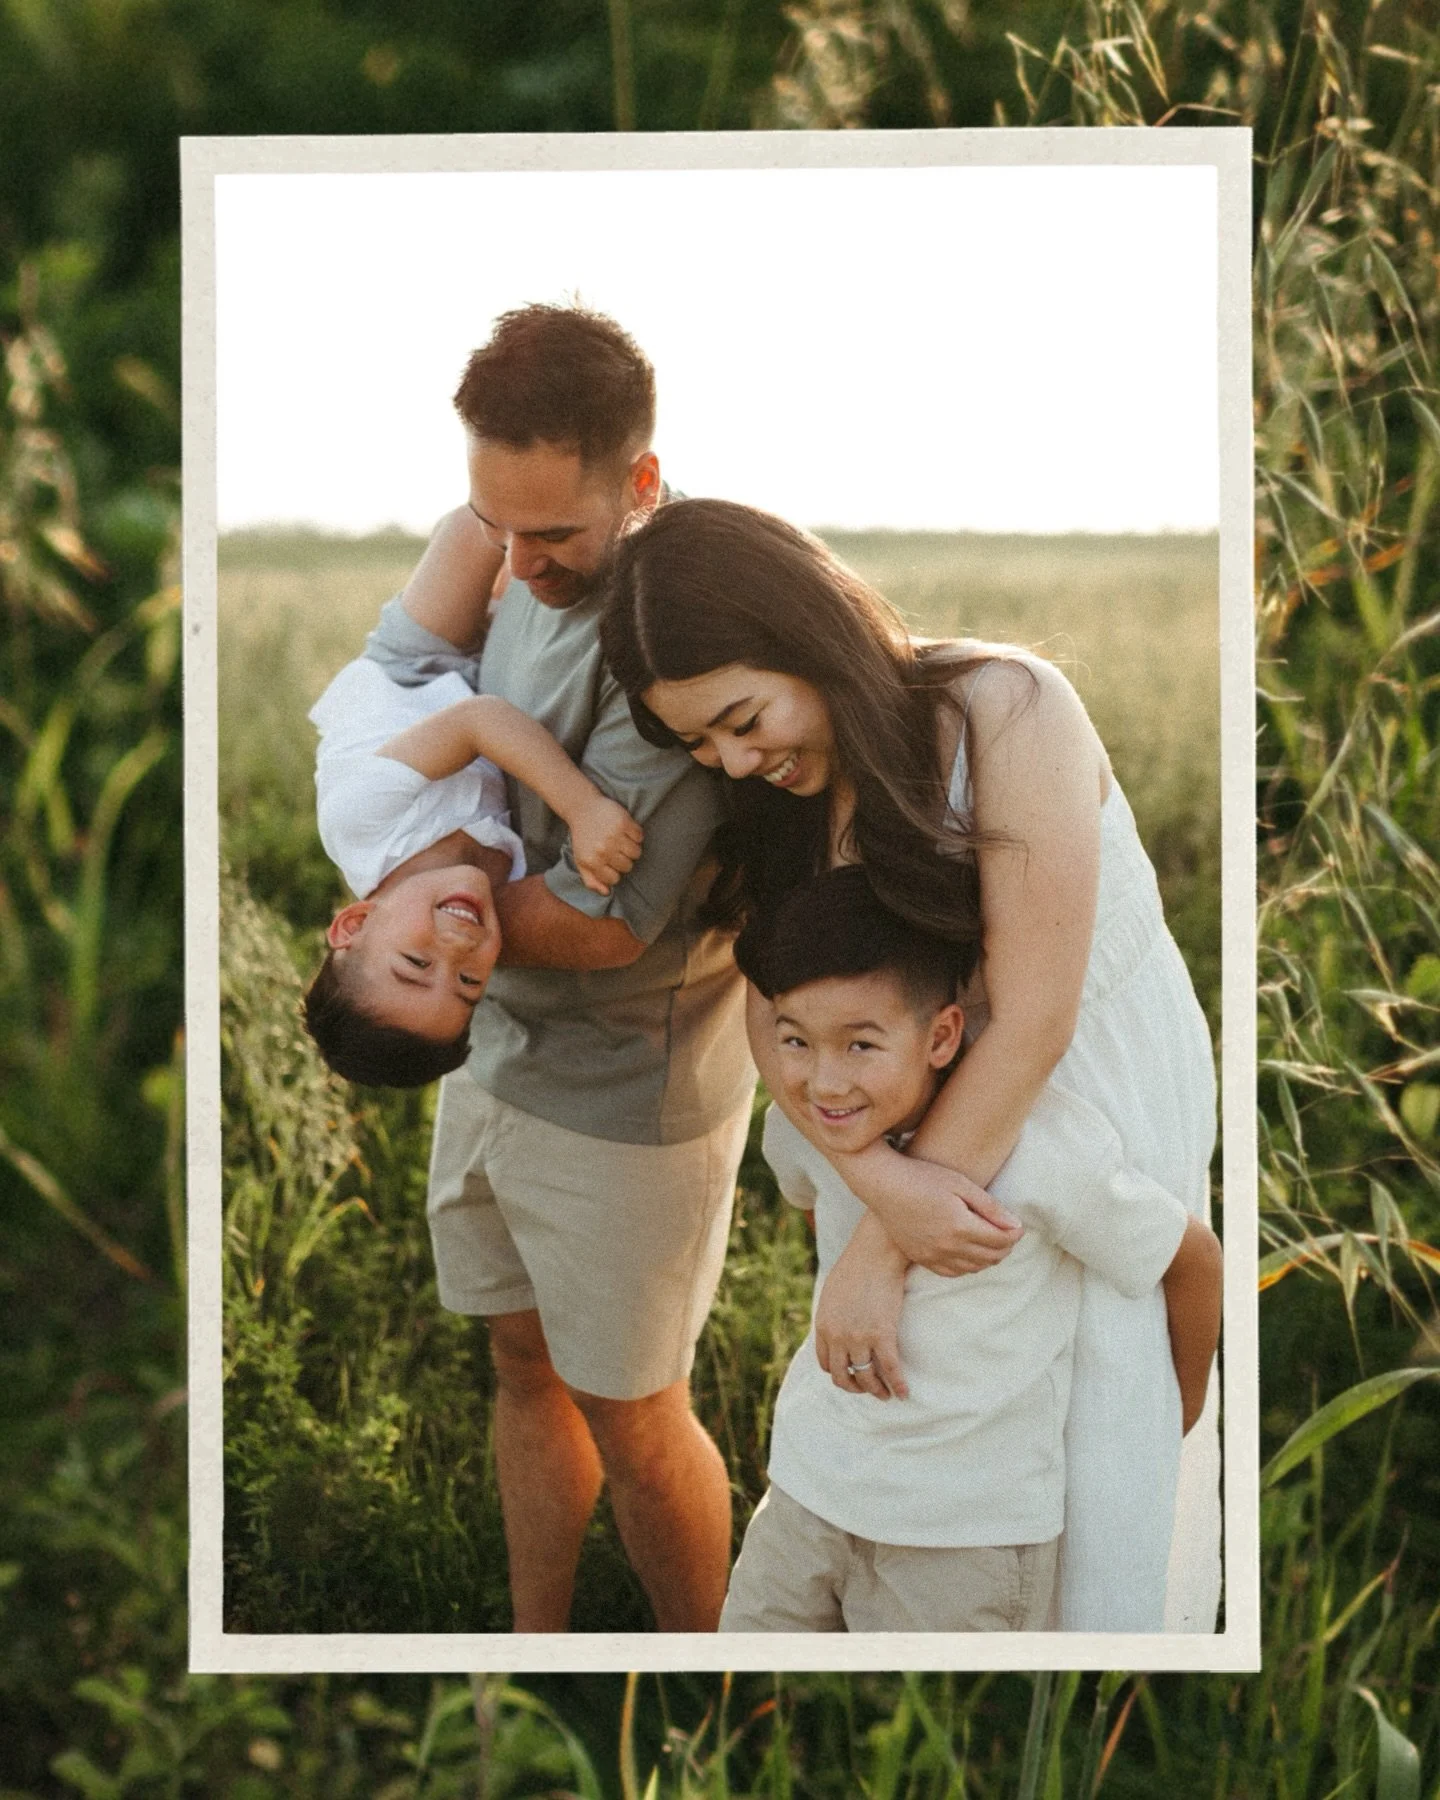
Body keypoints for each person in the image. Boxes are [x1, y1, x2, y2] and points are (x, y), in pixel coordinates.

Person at [599, 497, 1223, 1633]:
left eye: (742, 717)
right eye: (698, 743)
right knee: (930, 1390)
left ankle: (1078, 1687)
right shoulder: (777, 799)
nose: (735, 759)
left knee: (1091, 1404)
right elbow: (768, 991)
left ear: (803, 630)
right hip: (883, 1108)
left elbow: (1034, 1020)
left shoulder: (1008, 707)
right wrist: (880, 1190)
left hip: (1077, 1086)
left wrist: (879, 1252)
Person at [360, 307, 755, 1631]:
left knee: (637, 1417)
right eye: (495, 524)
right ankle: (541, 1655)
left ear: (638, 484)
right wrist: (416, 892)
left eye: (554, 538)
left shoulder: (677, 634)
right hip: (491, 1055)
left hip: (622, 1101)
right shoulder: (505, 542)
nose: (513, 564)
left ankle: (703, 1694)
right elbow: (405, 699)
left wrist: (411, 892)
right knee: (521, 1369)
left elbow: (606, 924)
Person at [720, 867, 1221, 1632]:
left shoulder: (1046, 1150)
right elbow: (800, 1192)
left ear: (944, 1034)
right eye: (795, 1040)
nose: (825, 1080)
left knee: (921, 1737)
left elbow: (1193, 1262)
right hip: (808, 1491)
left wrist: (1174, 1418)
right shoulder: (807, 1129)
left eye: (861, 1044)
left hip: (964, 1538)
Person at [303, 659, 644, 1086]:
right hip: (476, 675)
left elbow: (478, 721)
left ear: (356, 923)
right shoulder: (499, 882)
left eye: (416, 962)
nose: (459, 947)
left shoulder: (359, 821)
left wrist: (582, 807)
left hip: (408, 668)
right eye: (468, 981)